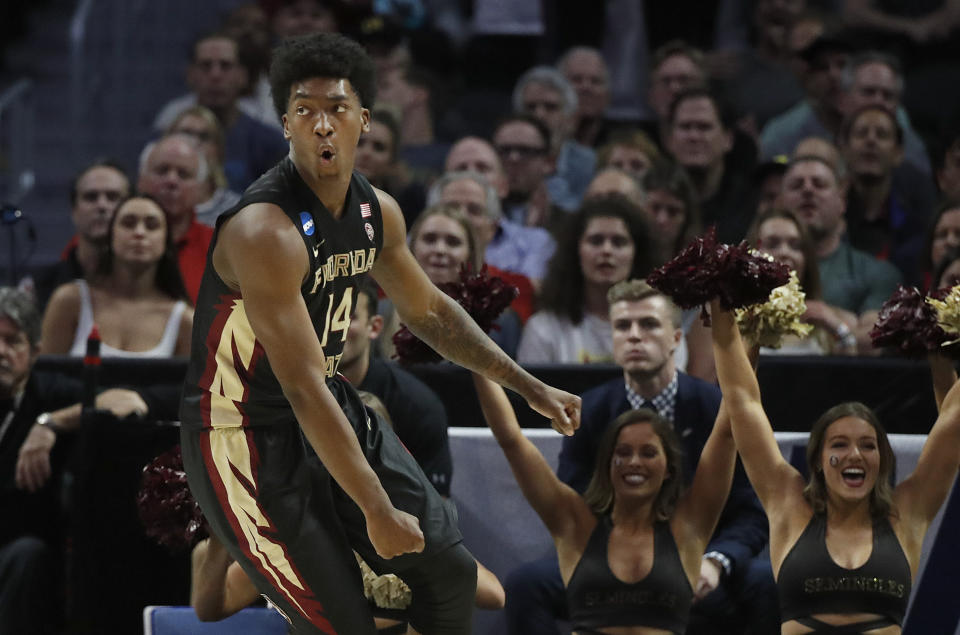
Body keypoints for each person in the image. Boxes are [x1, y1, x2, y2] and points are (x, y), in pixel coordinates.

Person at [179, 32, 580, 635]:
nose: (321, 125)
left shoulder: (377, 211)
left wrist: (527, 385)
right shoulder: (265, 230)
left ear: (362, 120)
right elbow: (303, 386)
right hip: (244, 435)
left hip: (326, 403)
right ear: (284, 124)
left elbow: (431, 313)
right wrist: (375, 508)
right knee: (344, 623)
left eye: (335, 109)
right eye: (304, 110)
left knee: (450, 578)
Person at [506, 279, 775, 635]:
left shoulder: (713, 407)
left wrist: (715, 561)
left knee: (764, 582)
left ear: (677, 339)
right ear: (614, 343)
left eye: (648, 324)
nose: (634, 335)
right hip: (608, 555)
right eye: (622, 326)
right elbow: (577, 498)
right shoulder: (590, 411)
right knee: (526, 583)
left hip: (703, 559)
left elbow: (751, 512)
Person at [709, 291, 960, 633]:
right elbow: (742, 399)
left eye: (868, 446)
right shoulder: (788, 503)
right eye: (839, 444)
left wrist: (939, 340)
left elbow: (954, 422)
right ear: (818, 461)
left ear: (882, 460)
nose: (854, 455)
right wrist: (727, 311)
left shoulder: (908, 512)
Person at [475, 346, 737, 634]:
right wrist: (472, 351)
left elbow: (728, 428)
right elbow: (511, 439)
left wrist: (746, 337)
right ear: (607, 464)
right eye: (622, 452)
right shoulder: (575, 523)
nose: (633, 462)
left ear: (669, 468)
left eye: (648, 452)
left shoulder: (688, 525)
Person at [0, 287, 157, 634]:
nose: (1, 351)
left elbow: (127, 400)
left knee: (27, 557)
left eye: (13, 342)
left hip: (20, 551)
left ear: (36, 352)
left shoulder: (51, 393)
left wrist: (50, 423)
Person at [40, 195, 193, 357]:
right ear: (111, 237)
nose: (139, 233)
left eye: (151, 226)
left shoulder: (185, 321)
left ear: (166, 242)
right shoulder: (70, 301)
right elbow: (44, 378)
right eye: (128, 223)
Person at [779, 155, 901, 352]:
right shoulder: (754, 266)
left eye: (819, 184)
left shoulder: (876, 272)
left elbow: (875, 342)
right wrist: (846, 321)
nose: (808, 190)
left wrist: (827, 318)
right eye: (796, 185)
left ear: (841, 201)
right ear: (780, 202)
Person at [517, 194, 656, 364]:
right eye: (596, 241)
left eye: (619, 242)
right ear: (576, 251)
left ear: (637, 254)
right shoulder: (543, 329)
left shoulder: (660, 328)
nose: (606, 250)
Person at [838, 105, 935, 283]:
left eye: (881, 135)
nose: (871, 141)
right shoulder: (831, 219)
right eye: (861, 133)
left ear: (898, 153)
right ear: (844, 148)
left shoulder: (918, 223)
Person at [749, 208, 856, 355]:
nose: (785, 252)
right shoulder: (730, 320)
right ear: (751, 255)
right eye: (772, 244)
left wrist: (838, 329)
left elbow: (851, 374)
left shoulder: (833, 320)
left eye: (795, 246)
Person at [31, 161, 131, 311]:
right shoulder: (40, 290)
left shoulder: (151, 288)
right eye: (91, 197)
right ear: (74, 211)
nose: (102, 205)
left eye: (112, 197)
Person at [137, 134, 215, 303]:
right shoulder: (112, 243)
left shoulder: (223, 250)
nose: (171, 181)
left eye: (183, 174)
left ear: (201, 190)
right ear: (141, 180)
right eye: (162, 170)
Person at [166, 105, 242, 227]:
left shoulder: (236, 210)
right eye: (186, 133)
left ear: (218, 150)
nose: (194, 142)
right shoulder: (156, 202)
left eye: (204, 137)